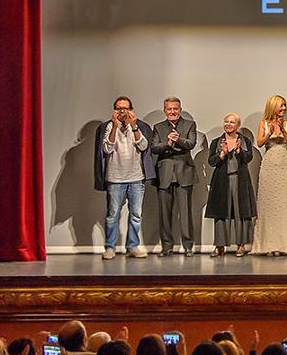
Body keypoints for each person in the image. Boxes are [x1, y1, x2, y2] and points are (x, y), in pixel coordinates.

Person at [93, 95, 154, 259]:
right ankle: (110, 247)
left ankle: (133, 246)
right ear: (115, 111)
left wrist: (133, 126)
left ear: (131, 110)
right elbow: (107, 148)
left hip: (136, 177)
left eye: (125, 108)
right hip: (115, 178)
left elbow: (143, 146)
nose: (122, 111)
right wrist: (114, 127)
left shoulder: (139, 126)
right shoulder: (107, 127)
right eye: (119, 108)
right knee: (112, 215)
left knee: (136, 215)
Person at [150, 96, 200, 257]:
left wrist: (177, 139)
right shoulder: (158, 127)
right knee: (164, 214)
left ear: (180, 109)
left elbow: (190, 144)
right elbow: (154, 147)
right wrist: (168, 145)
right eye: (169, 109)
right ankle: (166, 246)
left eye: (175, 109)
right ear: (165, 111)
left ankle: (188, 246)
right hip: (164, 173)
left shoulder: (190, 124)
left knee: (185, 213)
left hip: (184, 172)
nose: (172, 112)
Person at [205, 114, 256, 257]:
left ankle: (241, 245)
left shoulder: (244, 141)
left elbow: (248, 158)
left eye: (232, 122)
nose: (228, 124)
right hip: (222, 181)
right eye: (226, 121)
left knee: (241, 213)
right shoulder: (216, 142)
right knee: (221, 214)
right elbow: (211, 161)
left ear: (237, 125)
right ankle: (220, 246)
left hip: (240, 181)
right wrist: (222, 154)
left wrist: (239, 151)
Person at [254, 96, 287, 257]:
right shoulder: (263, 123)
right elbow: (259, 143)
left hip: (284, 164)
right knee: (268, 205)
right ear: (273, 107)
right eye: (280, 106)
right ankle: (267, 245)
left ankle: (283, 245)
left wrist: (282, 129)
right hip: (269, 164)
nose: (284, 109)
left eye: (285, 105)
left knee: (284, 206)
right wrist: (270, 132)